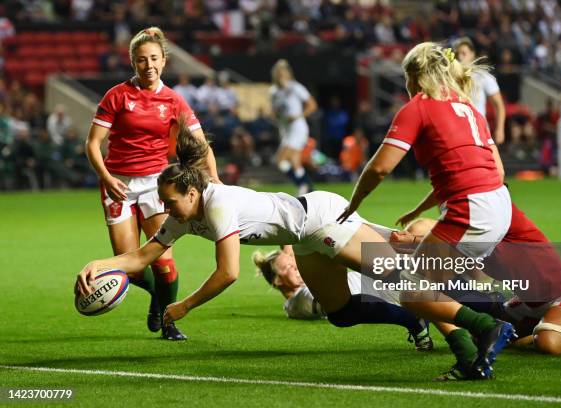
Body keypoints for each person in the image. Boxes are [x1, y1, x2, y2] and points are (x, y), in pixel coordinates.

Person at [75, 120, 455, 376]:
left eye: (169, 201)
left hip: (319, 217)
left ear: (192, 192)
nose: (164, 208)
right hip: (305, 233)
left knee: (394, 274)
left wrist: (183, 305)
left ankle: (482, 318)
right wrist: (99, 264)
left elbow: (229, 273)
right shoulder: (182, 216)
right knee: (341, 312)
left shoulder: (217, 203)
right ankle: (415, 319)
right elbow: (142, 255)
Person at [337, 42, 517, 381]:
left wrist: (355, 202)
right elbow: (494, 168)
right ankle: (469, 359)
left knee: (408, 287)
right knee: (430, 289)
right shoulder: (468, 107)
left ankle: (491, 326)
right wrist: (424, 206)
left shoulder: (417, 108)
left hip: (471, 209)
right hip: (499, 204)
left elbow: (379, 169)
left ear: (413, 77)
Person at [85, 27, 219, 341]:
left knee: (165, 262)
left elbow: (201, 144)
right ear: (133, 62)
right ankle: (158, 299)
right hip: (117, 183)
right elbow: (92, 144)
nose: (149, 65)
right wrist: (106, 178)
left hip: (156, 187)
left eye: (154, 59)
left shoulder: (173, 100)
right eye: (142, 60)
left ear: (164, 61)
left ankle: (169, 320)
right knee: (130, 267)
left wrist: (215, 178)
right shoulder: (117, 95)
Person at [393, 214, 561, 355]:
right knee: (484, 336)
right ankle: (535, 333)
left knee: (549, 343)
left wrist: (414, 241)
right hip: (526, 303)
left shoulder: (501, 223)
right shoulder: (471, 246)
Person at [252, 245, 433, 351]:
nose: (297, 268)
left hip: (384, 280)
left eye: (295, 264)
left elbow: (293, 245)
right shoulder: (298, 302)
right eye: (289, 268)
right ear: (277, 280)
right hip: (386, 290)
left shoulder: (302, 292)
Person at [269, 59, 317, 195]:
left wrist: (297, 116)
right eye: (278, 73)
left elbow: (312, 105)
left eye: (283, 73)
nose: (281, 76)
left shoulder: (296, 88)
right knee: (295, 163)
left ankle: (304, 185)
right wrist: (274, 115)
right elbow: (274, 112)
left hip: (297, 128)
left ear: (288, 74)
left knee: (280, 161)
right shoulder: (273, 92)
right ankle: (308, 189)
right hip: (285, 130)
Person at [453, 37, 506, 144]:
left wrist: (500, 129)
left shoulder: (483, 76)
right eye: (457, 54)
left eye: (464, 53)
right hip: (456, 132)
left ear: (473, 54)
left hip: (479, 131)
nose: (460, 57)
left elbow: (499, 105)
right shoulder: (450, 79)